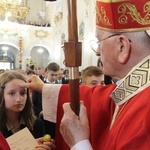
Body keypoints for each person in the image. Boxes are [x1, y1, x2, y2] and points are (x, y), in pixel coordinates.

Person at [20, 0, 150, 149]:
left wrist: (79, 143)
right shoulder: (135, 90)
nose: (97, 52)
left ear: (122, 47)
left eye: (99, 41)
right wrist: (45, 88)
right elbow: (98, 98)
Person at [0, 71, 55, 150]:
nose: (19, 99)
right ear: (1, 95)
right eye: (12, 93)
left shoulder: (37, 124)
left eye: (23, 93)